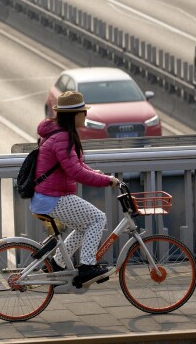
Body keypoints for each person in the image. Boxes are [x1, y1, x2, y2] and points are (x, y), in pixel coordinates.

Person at [31, 90, 120, 286]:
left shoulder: (60, 134)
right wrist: (106, 181)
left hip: (49, 196)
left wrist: (101, 176)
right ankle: (87, 267)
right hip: (52, 197)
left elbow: (76, 165)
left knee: (84, 226)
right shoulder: (62, 138)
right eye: (83, 111)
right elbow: (76, 172)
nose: (86, 115)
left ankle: (57, 264)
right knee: (98, 218)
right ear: (73, 115)